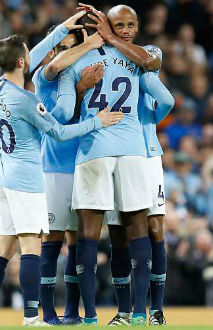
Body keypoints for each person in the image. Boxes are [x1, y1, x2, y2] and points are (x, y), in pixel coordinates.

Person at [0, 31, 123, 326]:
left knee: (3, 248)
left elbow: (33, 54)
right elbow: (60, 129)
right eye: (29, 54)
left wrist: (65, 26)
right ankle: (32, 317)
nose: (37, 56)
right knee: (31, 247)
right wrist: (97, 120)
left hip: (2, 175)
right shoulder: (30, 97)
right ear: (22, 61)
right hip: (27, 179)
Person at [53, 6, 174, 325]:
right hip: (135, 148)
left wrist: (79, 85)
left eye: (131, 24)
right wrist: (145, 123)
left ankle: (92, 316)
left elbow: (63, 109)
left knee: (88, 235)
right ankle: (134, 313)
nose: (125, 29)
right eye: (118, 25)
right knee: (136, 231)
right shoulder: (139, 60)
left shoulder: (80, 60)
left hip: (95, 148)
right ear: (107, 24)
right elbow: (164, 93)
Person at [33, 21, 105, 325]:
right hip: (54, 167)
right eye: (64, 49)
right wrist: (85, 48)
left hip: (85, 165)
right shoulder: (44, 76)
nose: (68, 55)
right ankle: (48, 313)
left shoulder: (94, 75)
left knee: (77, 245)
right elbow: (62, 119)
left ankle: (73, 313)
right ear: (53, 50)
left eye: (73, 48)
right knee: (51, 242)